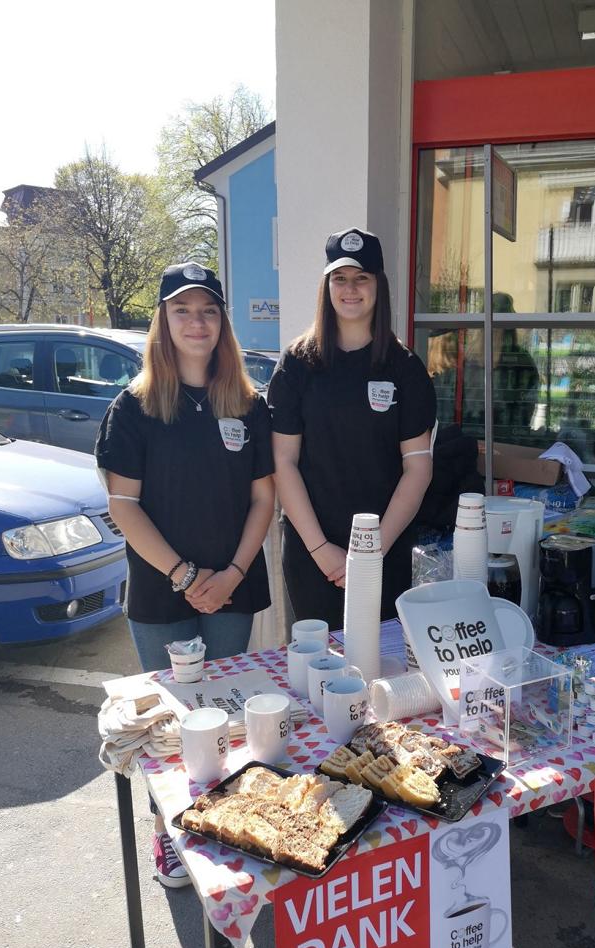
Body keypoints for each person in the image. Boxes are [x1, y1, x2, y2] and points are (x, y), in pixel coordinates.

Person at [95, 261, 275, 887]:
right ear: (163, 323)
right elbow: (124, 506)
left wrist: (229, 573)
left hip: (232, 586)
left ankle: (221, 817)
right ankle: (168, 831)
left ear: (223, 321)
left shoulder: (251, 407)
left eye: (208, 310)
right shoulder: (135, 408)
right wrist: (182, 572)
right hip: (159, 588)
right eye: (182, 311)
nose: (196, 322)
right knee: (168, 724)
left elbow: (263, 500)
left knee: (222, 715)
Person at [268, 227, 436, 629]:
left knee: (382, 669)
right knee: (318, 675)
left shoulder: (405, 368)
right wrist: (322, 548)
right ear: (326, 286)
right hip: (313, 554)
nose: (350, 289)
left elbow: (417, 468)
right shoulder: (296, 364)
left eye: (362, 278)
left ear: (379, 285)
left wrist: (371, 552)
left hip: (384, 552)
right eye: (340, 279)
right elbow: (283, 462)